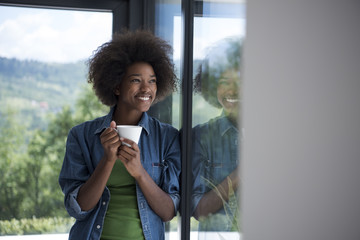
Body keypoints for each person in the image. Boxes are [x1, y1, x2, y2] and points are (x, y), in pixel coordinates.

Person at [58, 30, 181, 240]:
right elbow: (78, 208)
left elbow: (168, 212)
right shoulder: (82, 136)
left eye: (152, 81)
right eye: (136, 80)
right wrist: (107, 161)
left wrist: (139, 172)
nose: (146, 88)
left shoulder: (167, 137)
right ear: (116, 86)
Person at [192, 37, 242, 233]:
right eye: (223, 82)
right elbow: (198, 210)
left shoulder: (277, 134)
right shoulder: (201, 136)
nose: (232, 89)